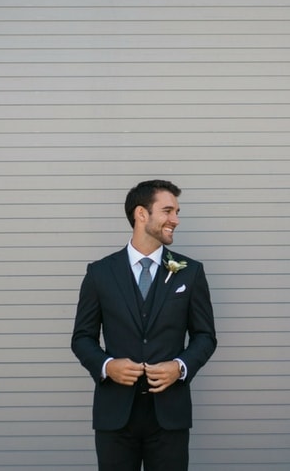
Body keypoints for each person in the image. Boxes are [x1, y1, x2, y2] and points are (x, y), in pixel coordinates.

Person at [72, 179, 217, 471]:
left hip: (169, 416)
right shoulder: (100, 273)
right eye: (167, 211)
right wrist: (106, 365)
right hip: (115, 415)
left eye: (176, 212)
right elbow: (82, 338)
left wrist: (180, 366)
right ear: (141, 214)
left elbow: (205, 336)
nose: (175, 220)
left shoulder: (190, 272)